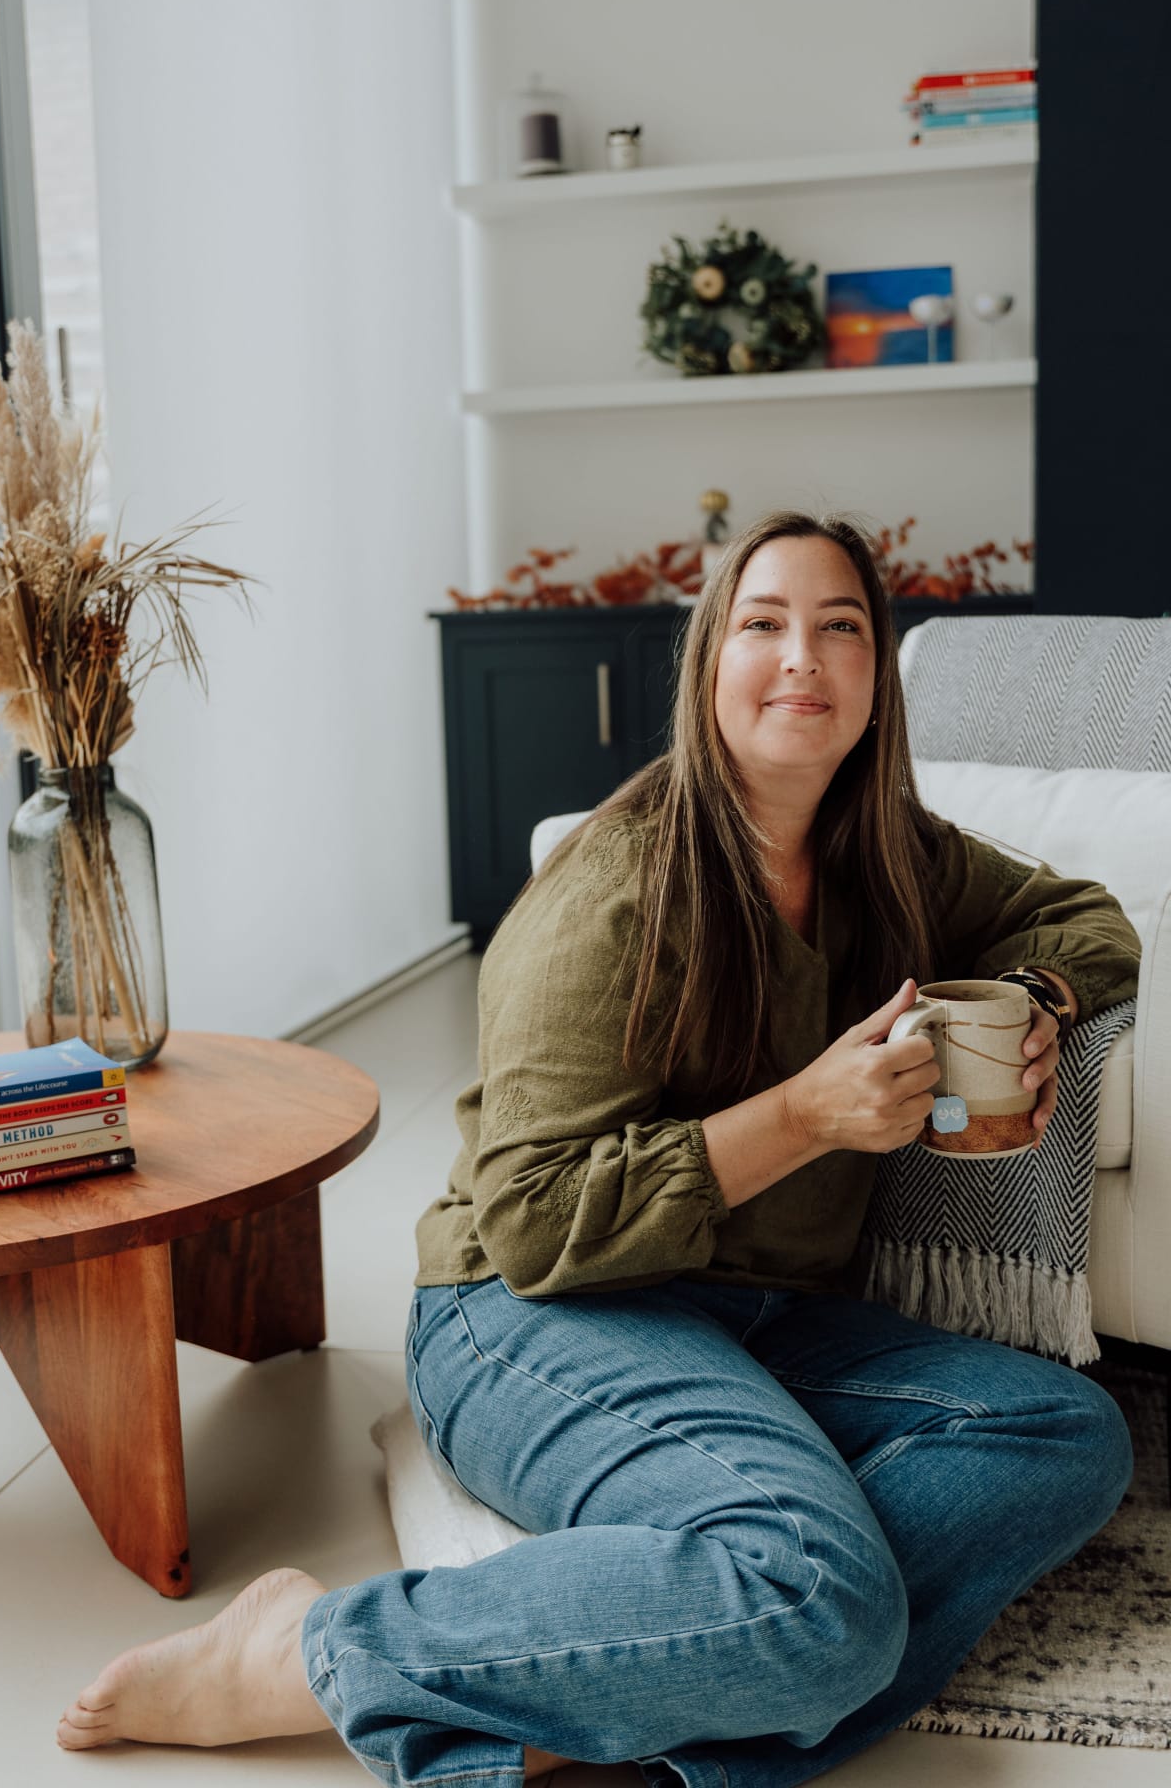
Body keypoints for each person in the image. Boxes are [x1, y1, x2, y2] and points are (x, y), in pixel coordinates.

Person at [58, 510, 1140, 1787]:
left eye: (841, 627)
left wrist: (1041, 1003)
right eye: (765, 625)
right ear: (708, 665)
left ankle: (598, 1690)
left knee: (1064, 1437)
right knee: (817, 1592)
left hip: (757, 1315)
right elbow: (532, 1220)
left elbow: (1083, 916)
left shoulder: (891, 856)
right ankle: (316, 1649)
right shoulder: (616, 886)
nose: (805, 656)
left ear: (873, 676)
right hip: (529, 1311)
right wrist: (807, 1115)